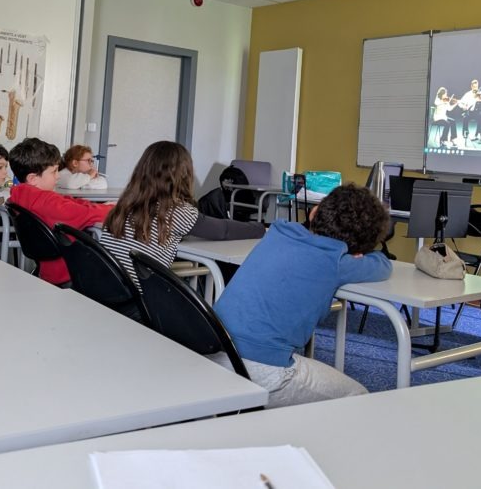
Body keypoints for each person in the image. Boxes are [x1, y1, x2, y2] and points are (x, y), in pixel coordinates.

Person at [213, 184, 391, 408]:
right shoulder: (335, 261)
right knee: (358, 396)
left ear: (313, 212)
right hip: (261, 368)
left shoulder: (279, 232)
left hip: (213, 348)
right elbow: (383, 266)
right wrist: (361, 254)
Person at [98, 141, 264, 290]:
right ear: (183, 175)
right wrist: (261, 228)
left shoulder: (125, 204)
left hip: (108, 289)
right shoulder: (176, 211)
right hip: (139, 300)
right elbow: (224, 230)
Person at [7, 138, 112, 285]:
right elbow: (87, 214)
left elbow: (68, 201)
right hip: (70, 273)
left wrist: (93, 205)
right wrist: (115, 209)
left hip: (49, 269)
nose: (58, 176)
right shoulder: (46, 202)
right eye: (54, 171)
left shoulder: (20, 195)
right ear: (33, 178)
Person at [457, 79, 481, 143]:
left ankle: (477, 134)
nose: (475, 88)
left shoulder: (480, 93)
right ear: (471, 86)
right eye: (474, 87)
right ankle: (466, 132)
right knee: (465, 118)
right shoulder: (467, 94)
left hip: (477, 112)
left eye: (477, 87)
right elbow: (460, 102)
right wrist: (463, 107)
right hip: (469, 112)